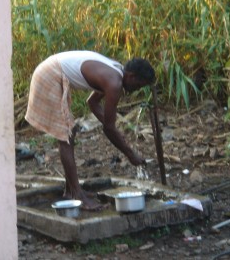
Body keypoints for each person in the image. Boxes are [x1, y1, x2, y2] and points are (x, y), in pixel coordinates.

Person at [25, 50, 155, 210]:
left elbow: (92, 103)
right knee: (66, 137)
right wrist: (129, 153)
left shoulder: (116, 71)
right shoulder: (114, 82)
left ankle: (70, 190)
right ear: (132, 76)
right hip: (49, 74)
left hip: (50, 68)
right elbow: (108, 129)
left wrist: (112, 127)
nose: (136, 90)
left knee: (68, 134)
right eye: (139, 85)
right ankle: (77, 194)